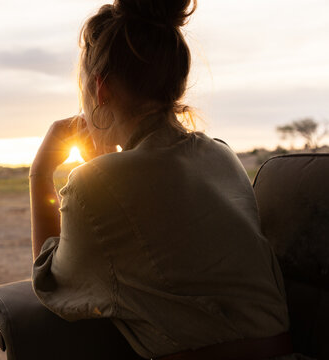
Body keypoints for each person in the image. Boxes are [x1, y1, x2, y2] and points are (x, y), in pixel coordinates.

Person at [29, 0, 302, 359]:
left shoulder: (93, 185)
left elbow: (51, 282)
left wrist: (39, 175)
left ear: (101, 89)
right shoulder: (221, 155)